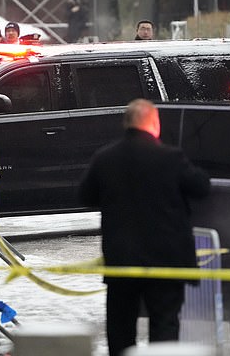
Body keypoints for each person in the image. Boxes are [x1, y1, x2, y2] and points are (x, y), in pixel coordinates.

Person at [78, 99, 210, 356]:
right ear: (154, 123)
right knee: (164, 324)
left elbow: (85, 196)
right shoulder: (171, 157)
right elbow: (201, 187)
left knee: (120, 326)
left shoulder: (105, 158)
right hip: (166, 259)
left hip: (122, 259)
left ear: (125, 123)